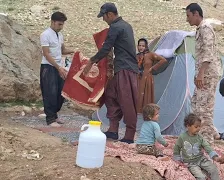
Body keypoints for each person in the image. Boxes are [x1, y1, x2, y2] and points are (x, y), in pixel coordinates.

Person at [83, 2, 139, 144]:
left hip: (125, 69)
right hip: (124, 68)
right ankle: (113, 130)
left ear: (110, 14)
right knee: (110, 95)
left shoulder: (115, 27)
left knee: (127, 101)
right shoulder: (126, 25)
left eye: (104, 16)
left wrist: (91, 62)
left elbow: (106, 48)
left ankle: (129, 135)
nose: (103, 20)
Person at [185, 3, 223, 142]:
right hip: (203, 74)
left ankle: (206, 141)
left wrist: (201, 73)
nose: (187, 19)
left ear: (196, 14)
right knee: (196, 104)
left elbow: (208, 53)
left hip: (207, 75)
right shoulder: (200, 29)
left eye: (188, 16)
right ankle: (214, 133)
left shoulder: (205, 28)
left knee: (204, 109)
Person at [40, 12, 74, 127]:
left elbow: (62, 51)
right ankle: (50, 119)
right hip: (49, 67)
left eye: (62, 25)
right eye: (59, 24)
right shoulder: (45, 35)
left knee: (61, 92)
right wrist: (58, 67)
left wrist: (74, 51)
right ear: (53, 22)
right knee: (50, 92)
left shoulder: (60, 35)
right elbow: (46, 54)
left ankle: (54, 115)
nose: (61, 27)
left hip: (59, 67)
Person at [173, 113, 220, 180]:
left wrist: (213, 155)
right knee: (201, 177)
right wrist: (177, 158)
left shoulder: (200, 137)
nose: (198, 129)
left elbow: (207, 146)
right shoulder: (182, 137)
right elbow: (177, 147)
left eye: (199, 126)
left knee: (214, 169)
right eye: (196, 127)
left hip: (201, 159)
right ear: (188, 126)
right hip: (190, 162)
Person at [136, 38, 167, 113]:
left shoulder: (150, 54)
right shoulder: (137, 56)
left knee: (147, 94)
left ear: (146, 46)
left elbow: (163, 60)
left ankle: (147, 112)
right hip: (138, 77)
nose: (141, 47)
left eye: (143, 46)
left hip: (147, 77)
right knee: (138, 93)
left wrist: (153, 68)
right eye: (139, 45)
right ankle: (138, 110)